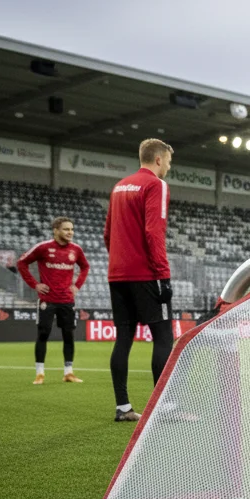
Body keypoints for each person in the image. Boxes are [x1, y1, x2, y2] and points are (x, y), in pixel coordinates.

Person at [104, 139, 175, 421]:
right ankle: (165, 408)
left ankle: (123, 408)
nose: (169, 166)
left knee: (123, 338)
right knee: (163, 336)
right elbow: (153, 232)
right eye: (168, 161)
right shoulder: (155, 185)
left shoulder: (119, 186)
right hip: (146, 274)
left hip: (117, 274)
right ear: (158, 159)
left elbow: (107, 234)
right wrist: (164, 276)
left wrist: (121, 261)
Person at [18, 216, 89, 384]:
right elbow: (22, 263)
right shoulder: (43, 247)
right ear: (56, 230)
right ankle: (40, 373)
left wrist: (77, 285)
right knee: (43, 334)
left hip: (67, 300)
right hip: (47, 300)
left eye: (71, 229)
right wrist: (35, 285)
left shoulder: (76, 250)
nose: (70, 232)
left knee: (68, 335)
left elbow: (85, 266)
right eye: (66, 229)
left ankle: (68, 372)